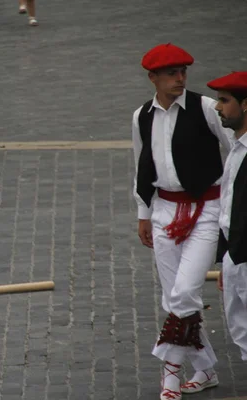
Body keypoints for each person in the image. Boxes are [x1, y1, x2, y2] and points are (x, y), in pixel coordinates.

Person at [131, 43, 233, 400]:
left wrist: (231, 211)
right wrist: (144, 213)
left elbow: (236, 153)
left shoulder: (207, 108)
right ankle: (204, 369)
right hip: (164, 211)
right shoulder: (142, 115)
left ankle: (171, 370)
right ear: (153, 78)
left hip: (206, 209)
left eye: (183, 71)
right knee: (173, 297)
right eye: (172, 73)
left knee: (185, 290)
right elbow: (141, 163)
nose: (180, 78)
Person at [208, 71, 247, 362]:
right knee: (240, 329)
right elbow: (228, 210)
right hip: (236, 255)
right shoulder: (237, 147)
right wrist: (228, 260)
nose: (218, 107)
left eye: (225, 100)